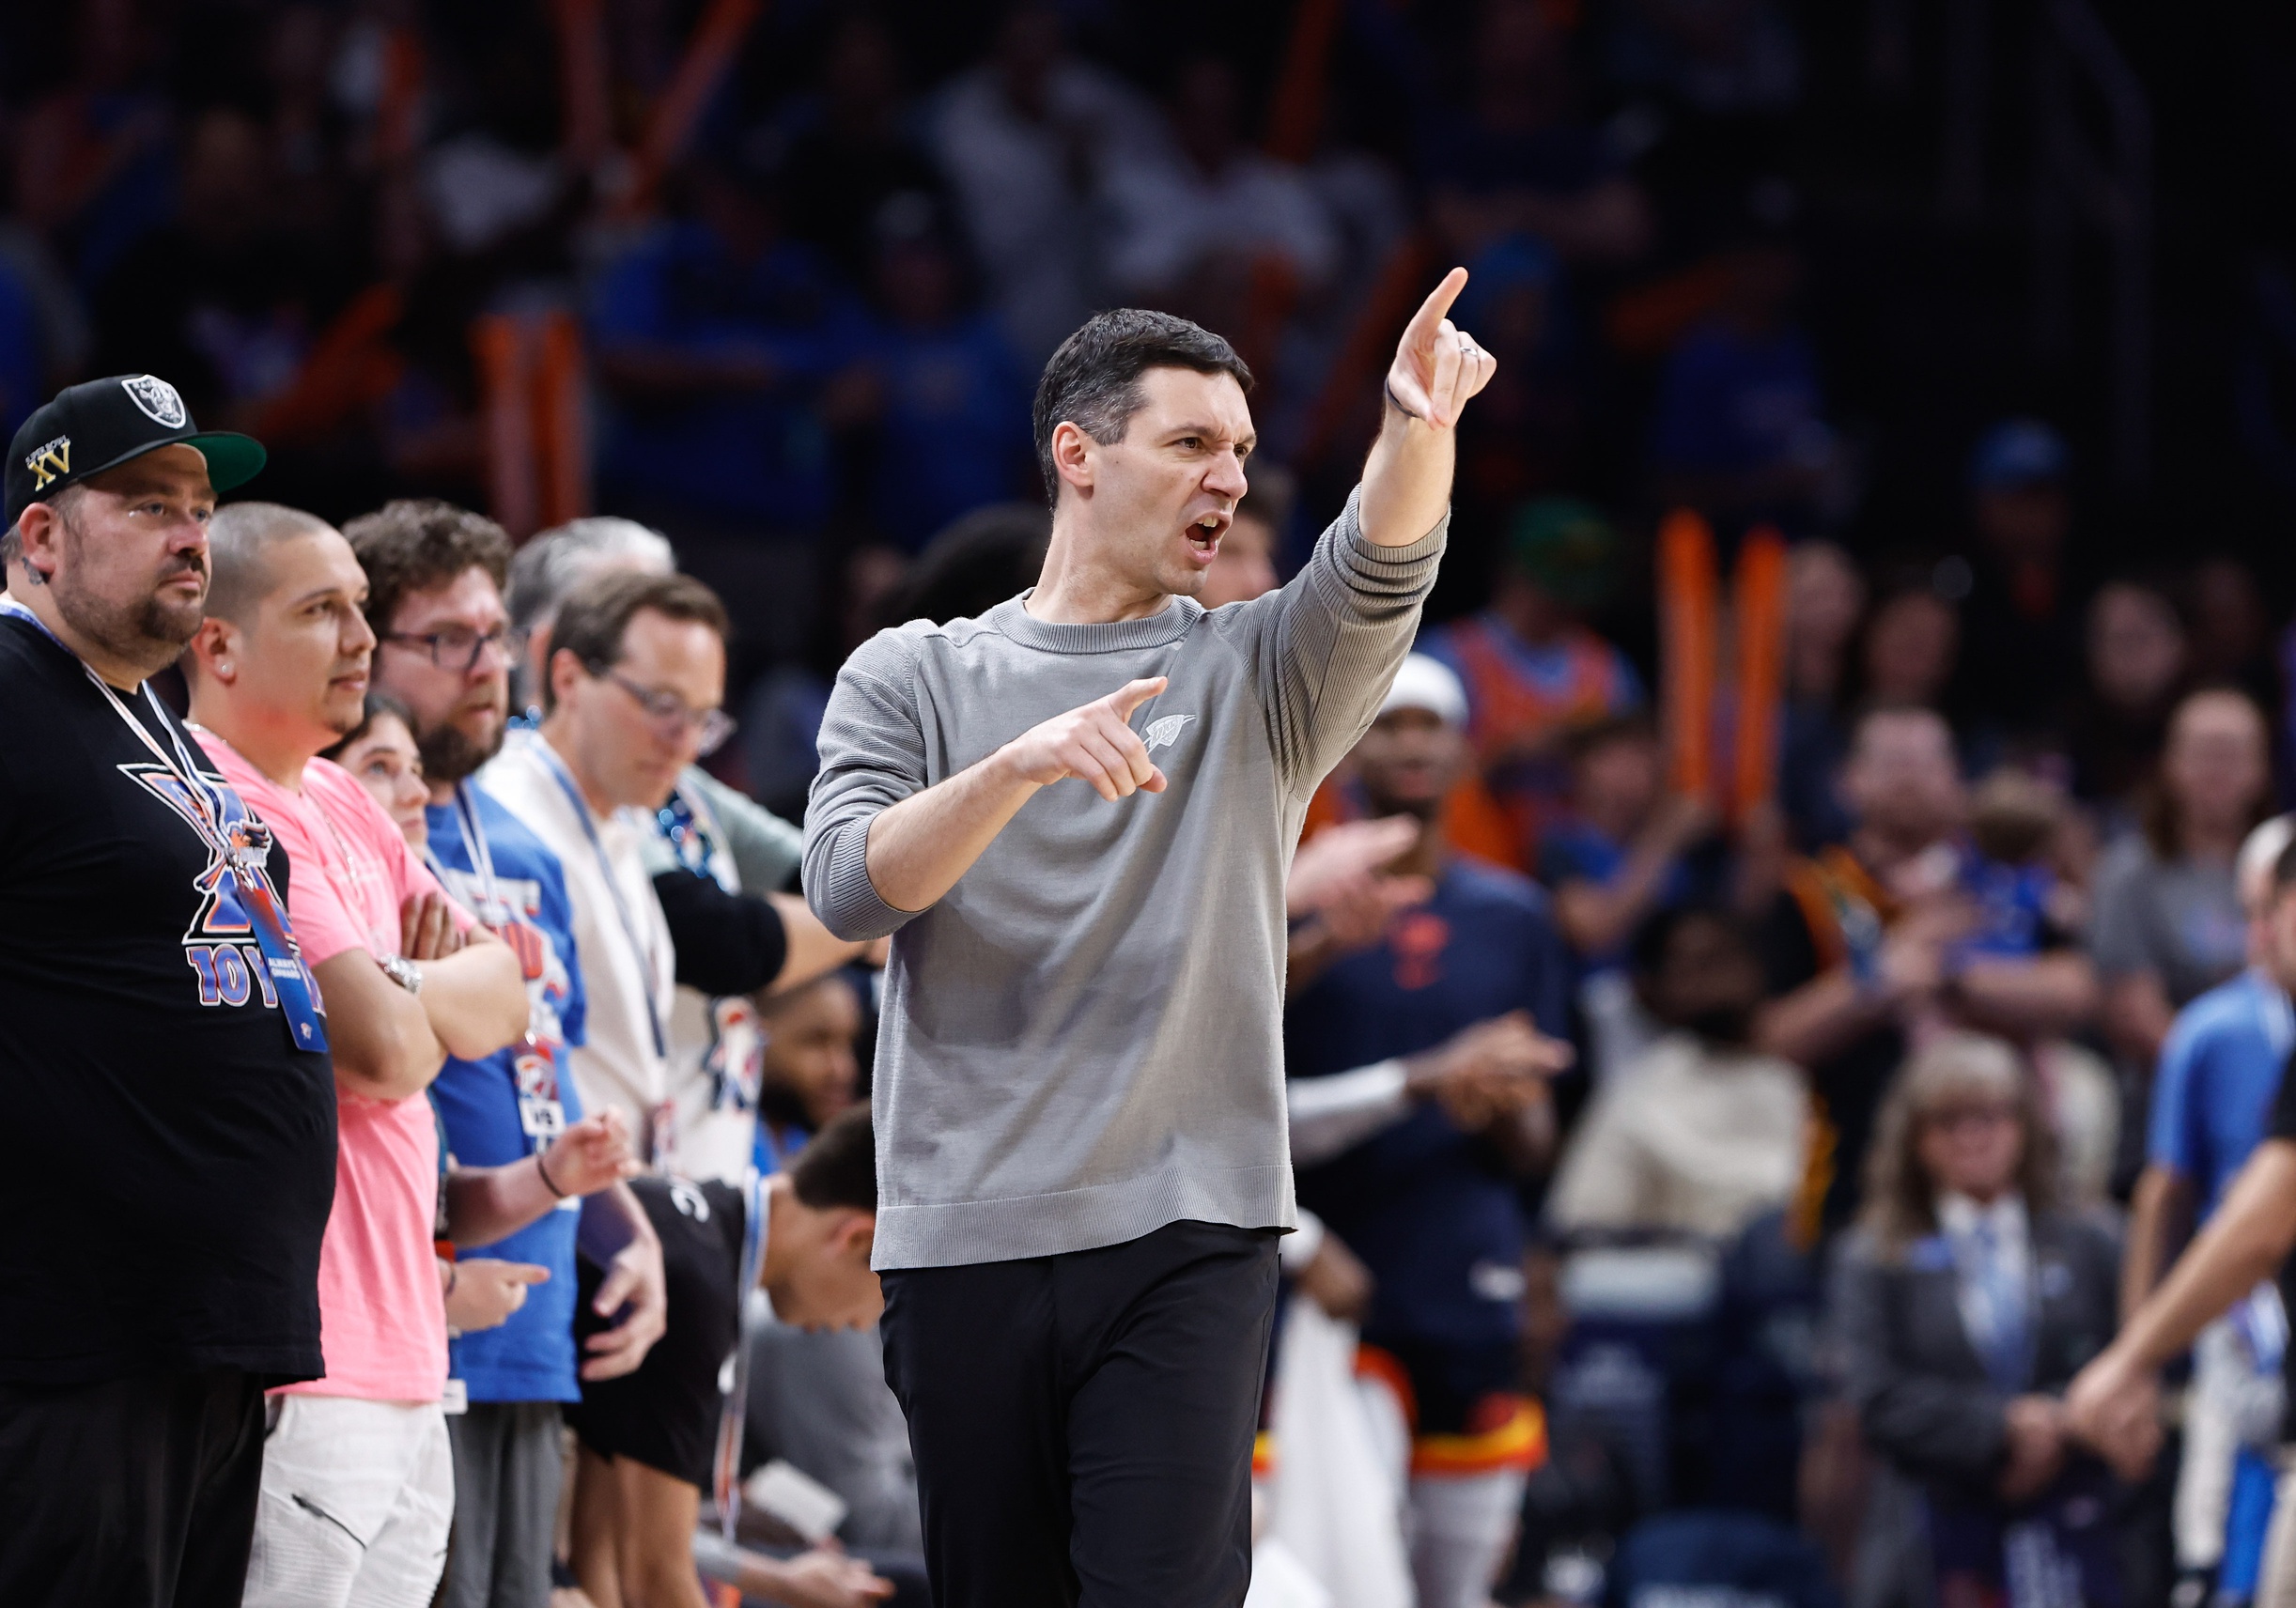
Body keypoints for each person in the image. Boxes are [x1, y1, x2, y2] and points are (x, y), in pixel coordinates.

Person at [803, 275, 1497, 1605]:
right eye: (1192, 444)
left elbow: (1381, 561)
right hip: (961, 1234)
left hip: (1188, 1226)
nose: (1228, 480)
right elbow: (845, 894)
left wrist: (1417, 429)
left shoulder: (1261, 671)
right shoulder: (912, 673)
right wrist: (1012, 770)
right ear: (1078, 455)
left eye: (1241, 452)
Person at [481, 567, 881, 1607]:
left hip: (626, 1232)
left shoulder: (623, 822)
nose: (680, 741)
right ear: (565, 673)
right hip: (548, 1232)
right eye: (658, 705)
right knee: (553, 1575)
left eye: (701, 718)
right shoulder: (512, 809)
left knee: (595, 1570)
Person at [0, 376, 334, 1606]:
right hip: (72, 1334)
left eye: (198, 504)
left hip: (206, 1331)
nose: (194, 531)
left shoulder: (151, 720)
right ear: (43, 535)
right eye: (147, 503)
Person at [180, 501, 531, 1607]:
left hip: (408, 1357)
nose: (363, 642)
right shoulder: (215, 799)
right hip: (306, 1352)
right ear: (218, 642)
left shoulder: (336, 790)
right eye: (321, 610)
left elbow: (505, 997)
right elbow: (385, 1055)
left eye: (363, 609)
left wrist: (397, 984)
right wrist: (414, 1000)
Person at [343, 499, 672, 1608]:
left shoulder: (521, 844)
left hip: (530, 1321)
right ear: (361, 646)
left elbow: (552, 1067)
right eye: (445, 639)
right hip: (404, 1316)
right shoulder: (345, 842)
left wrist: (626, 1231)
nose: (487, 666)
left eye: (493, 635)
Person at [1282, 651, 1575, 1608]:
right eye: (1386, 722)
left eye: (1427, 725)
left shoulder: (1514, 915)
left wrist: (1502, 1100)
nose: (1408, 743)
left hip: (1465, 1270)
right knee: (1337, 1569)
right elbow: (1221, 1085)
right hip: (1322, 1273)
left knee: (1462, 1577)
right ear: (1345, 744)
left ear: (1463, 751)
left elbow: (1538, 1139)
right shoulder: (1283, 896)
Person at [1756, 705, 2099, 1232]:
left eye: (1926, 762)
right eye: (1893, 763)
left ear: (1957, 780)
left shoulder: (2005, 878)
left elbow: (2075, 991)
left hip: (2010, 1165)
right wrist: (1883, 977)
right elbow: (1773, 1039)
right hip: (1858, 1177)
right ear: (1848, 782)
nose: (1911, 778)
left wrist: (1953, 974)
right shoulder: (1808, 893)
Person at [2068, 837, 2296, 1608]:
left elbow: (2269, 1214)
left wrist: (2132, 1358)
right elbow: (2168, 1191)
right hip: (2231, 1304)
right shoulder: (2213, 1027)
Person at [1830, 1034, 2125, 1605]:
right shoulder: (1874, 1254)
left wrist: (2056, 1427)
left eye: (1991, 1116)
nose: (1973, 1137)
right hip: (1930, 1524)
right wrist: (2003, 1429)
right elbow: (1875, 1397)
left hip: (2073, 1518)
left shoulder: (2089, 1241)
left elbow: (2125, 1360)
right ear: (1914, 1139)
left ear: (2026, 1126)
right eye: (1948, 1122)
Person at [596, 1106, 897, 1608]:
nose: (864, 1324)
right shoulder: (699, 1284)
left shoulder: (704, 1232)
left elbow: (605, 1536)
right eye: (886, 1295)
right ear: (856, 1240)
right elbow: (654, 1576)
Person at [1548, 905, 1807, 1240]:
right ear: (1653, 987)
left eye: (1720, 959)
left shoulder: (1791, 1082)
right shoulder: (1641, 1092)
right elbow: (1580, 1223)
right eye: (1687, 967)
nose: (1711, 980)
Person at [1421, 497, 1644, 868]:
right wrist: (1509, 753)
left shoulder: (1607, 667)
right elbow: (1408, 771)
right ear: (1512, 572)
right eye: (1553, 584)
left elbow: (1642, 777)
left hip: (1580, 866)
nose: (1562, 603)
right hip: (1474, 857)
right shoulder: (1449, 657)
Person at [2091, 688, 2273, 1076]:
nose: (2218, 770)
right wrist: (2225, 1078)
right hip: (2172, 1086)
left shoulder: (2283, 865)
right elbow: (2133, 1011)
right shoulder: (2130, 873)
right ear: (2171, 765)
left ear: (2261, 770)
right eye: (2205, 754)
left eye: (2233, 756)